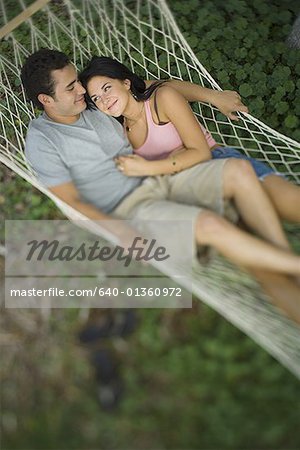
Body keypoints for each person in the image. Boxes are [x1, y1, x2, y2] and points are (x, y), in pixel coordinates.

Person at [21, 49, 300, 323]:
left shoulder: (93, 102)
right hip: (133, 208)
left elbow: (152, 88)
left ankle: (285, 259)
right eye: (71, 87)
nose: (81, 90)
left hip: (165, 178)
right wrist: (122, 232)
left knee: (239, 171)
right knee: (215, 229)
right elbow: (71, 200)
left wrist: (212, 96)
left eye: (79, 83)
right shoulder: (43, 139)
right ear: (46, 99)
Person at [80, 56, 300, 224]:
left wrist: (212, 96)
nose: (104, 99)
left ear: (125, 83)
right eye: (96, 98)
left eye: (107, 88)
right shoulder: (115, 126)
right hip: (194, 191)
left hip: (217, 162)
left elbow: (161, 87)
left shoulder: (152, 98)